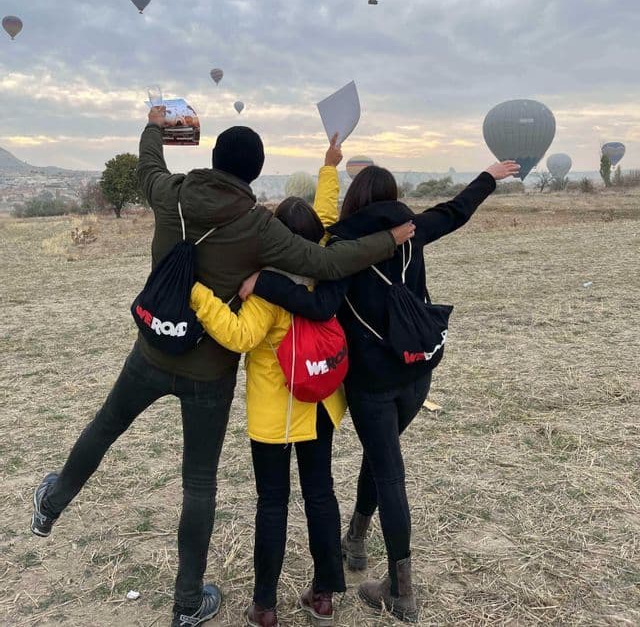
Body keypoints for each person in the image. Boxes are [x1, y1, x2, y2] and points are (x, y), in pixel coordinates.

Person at [30, 109, 415, 627]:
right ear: (255, 174)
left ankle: (53, 501)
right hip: (209, 373)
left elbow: (148, 163)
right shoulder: (258, 227)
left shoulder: (170, 194)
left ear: (213, 159)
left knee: (105, 425)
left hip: (151, 349)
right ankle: (187, 603)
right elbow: (323, 263)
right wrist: (388, 241)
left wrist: (156, 126)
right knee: (199, 484)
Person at [239, 161, 520, 623]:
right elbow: (457, 210)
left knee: (387, 469)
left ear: (355, 199)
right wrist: (488, 176)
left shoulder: (342, 245)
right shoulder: (412, 229)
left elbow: (318, 300)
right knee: (382, 456)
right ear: (392, 196)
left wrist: (265, 280)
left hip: (370, 383)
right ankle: (355, 536)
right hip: (416, 371)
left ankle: (401, 589)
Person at [189, 134, 348, 627]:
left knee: (272, 505)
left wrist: (198, 293)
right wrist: (329, 166)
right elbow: (325, 215)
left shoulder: (265, 289)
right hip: (320, 403)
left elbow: (238, 336)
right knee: (320, 496)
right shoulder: (322, 264)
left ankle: (264, 605)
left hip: (274, 418)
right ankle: (323, 597)